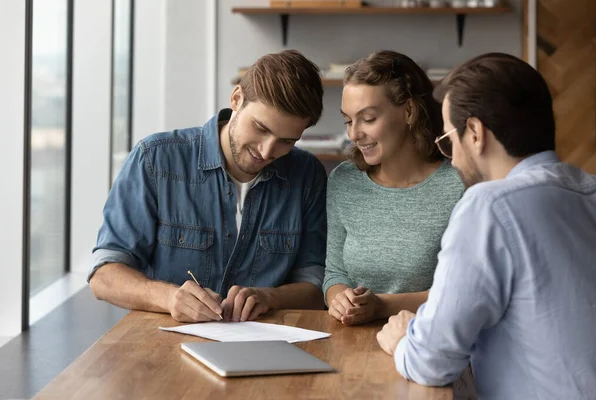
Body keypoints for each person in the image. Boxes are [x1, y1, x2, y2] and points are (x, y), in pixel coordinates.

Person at [377, 53, 596, 399]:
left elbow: (431, 361)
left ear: (475, 133)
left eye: (449, 140)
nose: (452, 158)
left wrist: (404, 339)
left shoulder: (490, 206)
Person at [89, 50, 328, 324]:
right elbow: (104, 276)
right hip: (163, 346)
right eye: (261, 128)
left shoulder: (307, 175)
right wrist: (168, 298)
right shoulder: (154, 160)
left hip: (267, 345)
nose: (267, 150)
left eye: (286, 141)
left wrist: (271, 297)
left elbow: (314, 286)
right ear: (237, 98)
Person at [323, 50, 464, 325]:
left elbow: (461, 292)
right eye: (349, 120)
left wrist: (380, 306)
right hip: (351, 345)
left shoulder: (458, 185)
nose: (354, 134)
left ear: (409, 111)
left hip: (427, 345)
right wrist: (340, 300)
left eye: (368, 119)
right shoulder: (344, 181)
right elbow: (335, 273)